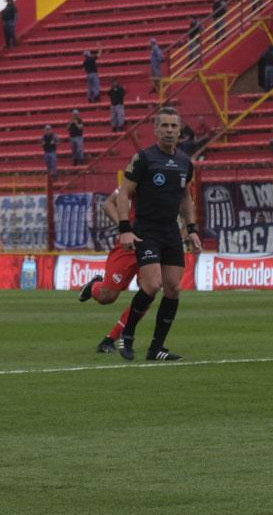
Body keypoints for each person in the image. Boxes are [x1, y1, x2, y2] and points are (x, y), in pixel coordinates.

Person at [115, 106, 202, 362]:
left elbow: (185, 197)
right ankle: (127, 336)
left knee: (173, 289)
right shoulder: (144, 159)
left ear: (180, 131)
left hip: (170, 232)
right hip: (146, 230)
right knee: (152, 285)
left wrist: (192, 229)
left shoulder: (186, 163)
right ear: (155, 130)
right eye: (164, 126)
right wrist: (125, 229)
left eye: (174, 126)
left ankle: (157, 348)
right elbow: (124, 193)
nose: (169, 131)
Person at [78, 190, 144, 353]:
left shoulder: (175, 173)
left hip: (156, 244)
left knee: (148, 291)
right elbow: (108, 204)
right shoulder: (139, 174)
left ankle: (111, 339)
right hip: (129, 246)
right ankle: (95, 286)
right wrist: (125, 228)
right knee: (107, 296)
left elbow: (186, 203)